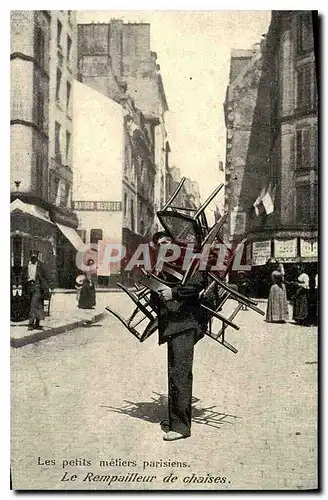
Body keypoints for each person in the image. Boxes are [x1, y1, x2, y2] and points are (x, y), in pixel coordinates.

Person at [150, 232, 210, 442]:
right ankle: (175, 420)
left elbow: (197, 285)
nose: (163, 246)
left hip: (185, 324)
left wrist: (173, 294)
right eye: (159, 244)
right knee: (174, 372)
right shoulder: (164, 266)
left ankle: (182, 427)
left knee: (180, 375)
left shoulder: (190, 261)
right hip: (173, 325)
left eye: (166, 242)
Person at [21, 250, 52, 330]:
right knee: (37, 305)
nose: (34, 257)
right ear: (30, 256)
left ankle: (30, 324)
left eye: (35, 256)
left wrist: (48, 287)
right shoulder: (26, 266)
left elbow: (46, 277)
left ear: (37, 256)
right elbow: (22, 277)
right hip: (28, 287)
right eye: (32, 256)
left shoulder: (41, 266)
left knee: (34, 305)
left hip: (37, 286)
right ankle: (37, 323)